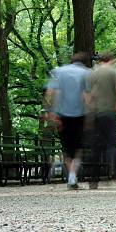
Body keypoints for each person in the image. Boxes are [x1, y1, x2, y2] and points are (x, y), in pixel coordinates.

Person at [45, 52, 92, 190]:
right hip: (80, 114)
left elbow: (50, 92)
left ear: (72, 61)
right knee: (78, 146)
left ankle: (71, 177)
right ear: (85, 62)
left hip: (62, 115)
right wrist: (91, 113)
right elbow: (87, 95)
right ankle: (72, 175)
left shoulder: (59, 72)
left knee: (66, 147)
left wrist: (50, 111)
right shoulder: (87, 73)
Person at [84, 51, 116, 189]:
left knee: (96, 146)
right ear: (111, 59)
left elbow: (87, 95)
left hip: (95, 115)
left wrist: (89, 110)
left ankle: (93, 179)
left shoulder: (92, 74)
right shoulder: (114, 73)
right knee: (111, 144)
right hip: (109, 113)